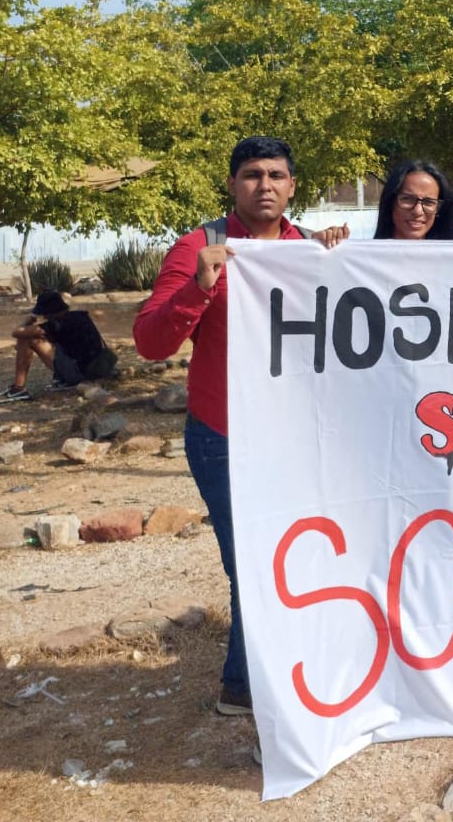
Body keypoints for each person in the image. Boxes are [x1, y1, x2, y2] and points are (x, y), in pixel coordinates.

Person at [132, 136, 348, 734]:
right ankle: (252, 686)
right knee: (250, 562)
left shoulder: (311, 249)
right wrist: (198, 287)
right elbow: (150, 342)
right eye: (252, 175)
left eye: (276, 174)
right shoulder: (200, 247)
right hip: (223, 435)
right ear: (232, 184)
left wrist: (339, 257)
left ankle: (254, 680)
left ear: (293, 186)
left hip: (298, 438)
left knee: (296, 555)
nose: (265, 185)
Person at [0, 289, 116, 402]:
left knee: (25, 340)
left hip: (79, 373)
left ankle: (18, 388)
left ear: (49, 312)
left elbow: (17, 333)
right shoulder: (79, 317)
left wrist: (29, 319)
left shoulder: (56, 325)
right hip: (98, 368)